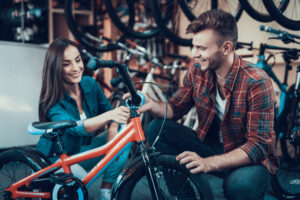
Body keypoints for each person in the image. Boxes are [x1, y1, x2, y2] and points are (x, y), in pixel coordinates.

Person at [136, 9, 278, 200]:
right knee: (156, 129)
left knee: (239, 186)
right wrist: (150, 104)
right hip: (211, 146)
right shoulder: (198, 71)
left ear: (226, 48)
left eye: (202, 48)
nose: (194, 54)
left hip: (248, 160)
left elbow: (258, 146)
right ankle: (186, 197)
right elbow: (175, 108)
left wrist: (208, 163)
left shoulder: (257, 81)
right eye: (194, 46)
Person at [36, 38, 130, 200]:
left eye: (77, 60)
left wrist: (113, 128)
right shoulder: (50, 101)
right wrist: (110, 116)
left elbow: (109, 111)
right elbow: (75, 128)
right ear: (55, 68)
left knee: (124, 133)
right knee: (77, 190)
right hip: (56, 161)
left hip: (82, 153)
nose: (76, 68)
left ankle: (105, 192)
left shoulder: (89, 84)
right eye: (66, 64)